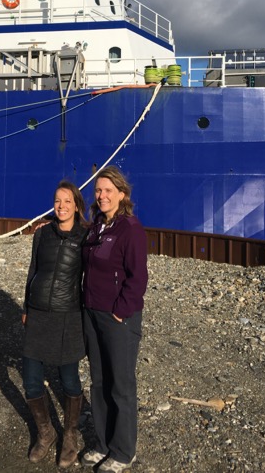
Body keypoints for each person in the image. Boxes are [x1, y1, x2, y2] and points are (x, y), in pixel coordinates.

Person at [81, 166, 148, 472]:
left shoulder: (130, 228)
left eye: (108, 190)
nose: (102, 195)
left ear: (122, 194)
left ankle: (123, 451)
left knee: (120, 385)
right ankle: (104, 442)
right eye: (98, 190)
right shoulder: (97, 226)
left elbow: (138, 277)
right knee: (98, 382)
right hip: (93, 313)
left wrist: (121, 310)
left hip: (118, 318)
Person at [22, 180, 87, 468]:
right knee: (32, 379)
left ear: (76, 205)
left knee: (69, 379)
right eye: (57, 201)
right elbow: (33, 270)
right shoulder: (42, 234)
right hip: (38, 314)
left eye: (67, 201)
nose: (61, 206)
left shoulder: (86, 237)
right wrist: (26, 307)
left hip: (67, 316)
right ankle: (46, 433)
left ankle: (70, 436)